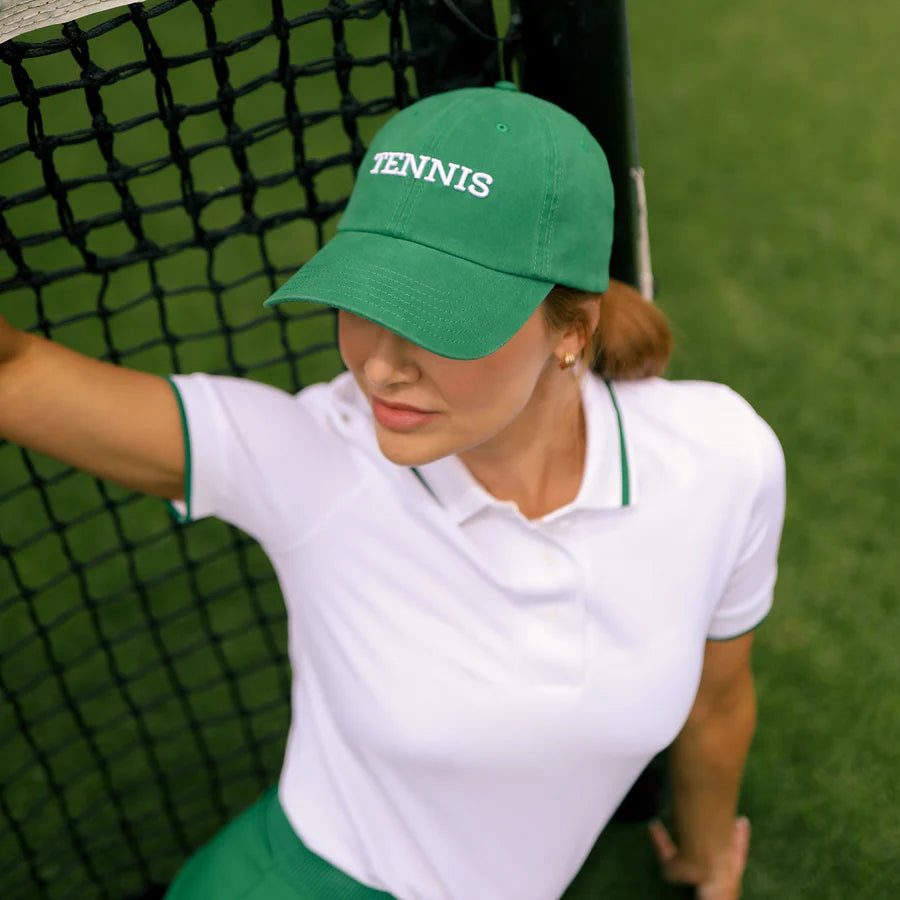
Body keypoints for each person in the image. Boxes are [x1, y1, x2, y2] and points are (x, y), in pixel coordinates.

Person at [0, 82, 784, 900]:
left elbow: (716, 705)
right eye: (364, 297)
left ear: (573, 331)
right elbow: (13, 372)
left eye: (443, 319)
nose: (378, 366)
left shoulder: (723, 457)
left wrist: (707, 867)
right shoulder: (309, 454)